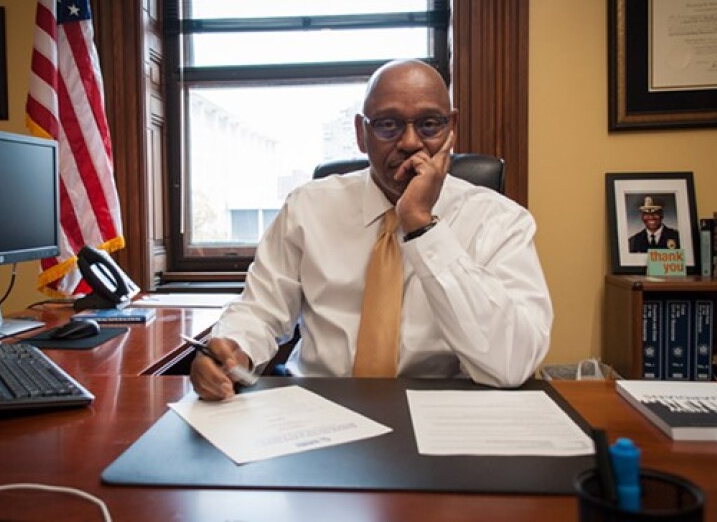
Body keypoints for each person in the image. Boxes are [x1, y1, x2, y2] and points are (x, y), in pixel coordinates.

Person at [190, 59, 553, 400]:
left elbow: (513, 363)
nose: (410, 142)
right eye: (388, 125)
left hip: (444, 413)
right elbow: (260, 311)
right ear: (362, 134)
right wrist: (234, 347)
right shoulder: (307, 208)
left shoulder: (501, 220)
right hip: (320, 409)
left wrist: (423, 228)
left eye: (429, 124)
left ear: (452, 128)